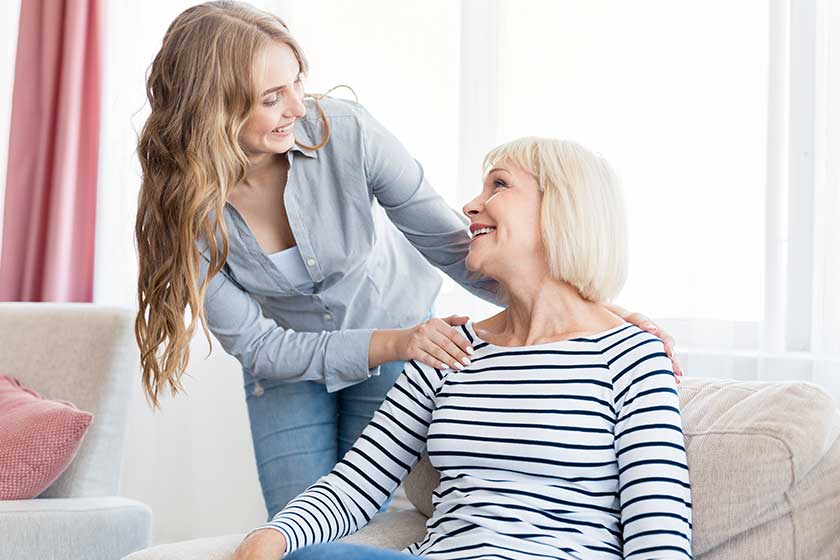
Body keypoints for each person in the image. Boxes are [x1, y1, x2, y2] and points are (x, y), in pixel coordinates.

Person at [134, 0, 683, 523]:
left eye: (297, 81)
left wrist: (588, 313)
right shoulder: (179, 210)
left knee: (376, 518)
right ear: (214, 106)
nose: (300, 108)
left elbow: (451, 242)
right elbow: (259, 346)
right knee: (295, 523)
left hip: (400, 332)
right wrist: (394, 341)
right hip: (290, 367)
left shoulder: (344, 132)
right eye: (273, 97)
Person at [233, 138, 692, 560]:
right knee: (299, 555)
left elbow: (660, 538)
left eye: (499, 185)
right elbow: (357, 483)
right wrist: (269, 537)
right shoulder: (449, 347)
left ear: (561, 208)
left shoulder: (632, 356)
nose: (471, 206)